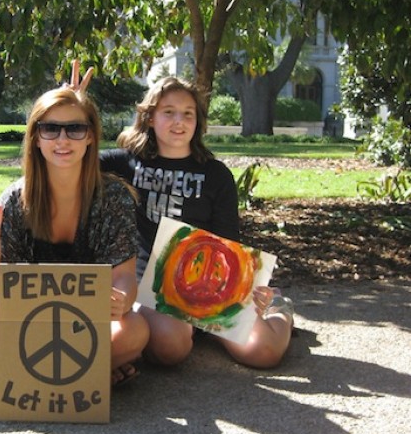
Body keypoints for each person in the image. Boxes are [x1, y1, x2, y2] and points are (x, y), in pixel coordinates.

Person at [0, 85, 150, 386]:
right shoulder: (14, 200)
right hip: (28, 324)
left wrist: (123, 300)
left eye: (75, 128)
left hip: (86, 326)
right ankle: (89, 373)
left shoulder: (114, 196)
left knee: (135, 331)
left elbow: (124, 276)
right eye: (50, 129)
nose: (63, 139)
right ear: (36, 137)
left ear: (90, 136)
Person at [100, 76, 294, 368]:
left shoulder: (216, 175)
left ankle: (281, 308)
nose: (179, 121)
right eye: (168, 112)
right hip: (149, 287)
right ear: (150, 117)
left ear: (197, 120)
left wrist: (249, 289)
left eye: (188, 113)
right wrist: (70, 104)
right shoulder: (123, 163)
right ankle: (195, 330)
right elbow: (65, 157)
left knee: (263, 353)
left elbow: (229, 243)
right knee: (170, 347)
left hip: (208, 288)